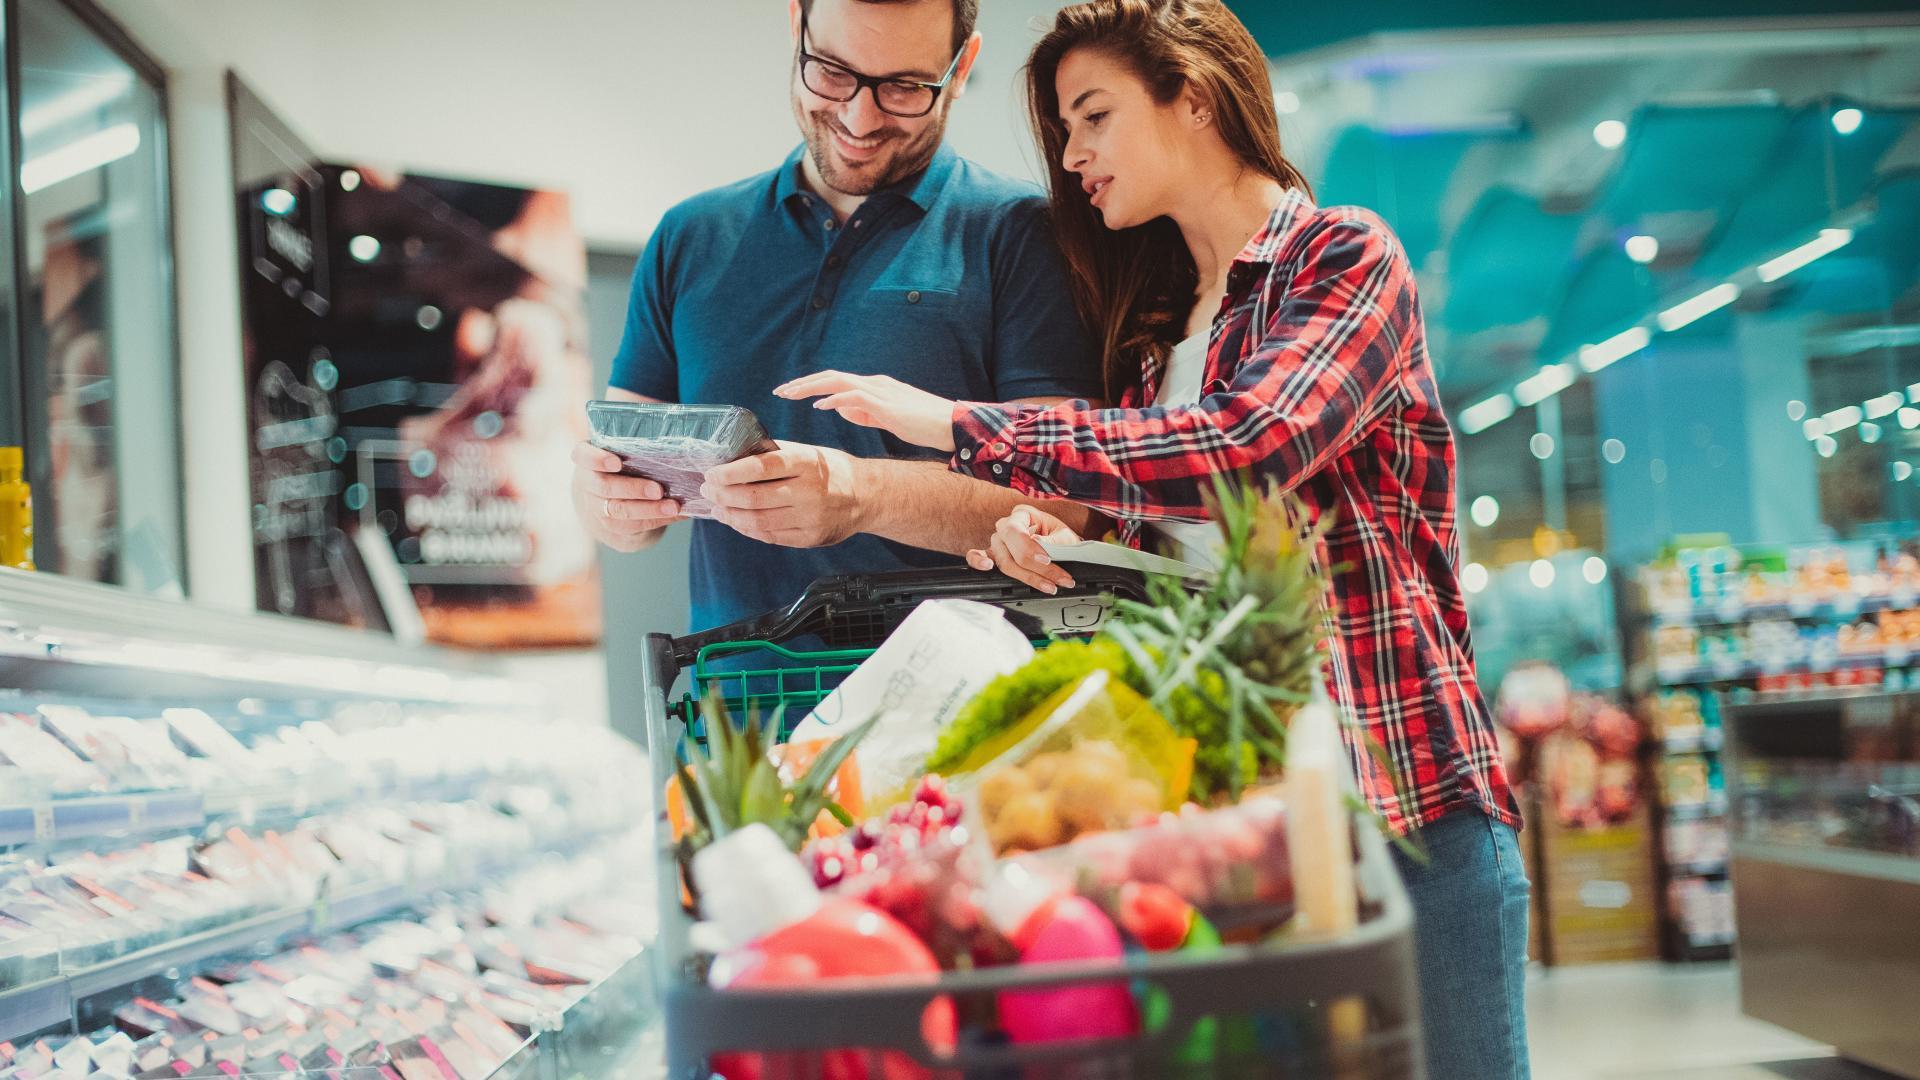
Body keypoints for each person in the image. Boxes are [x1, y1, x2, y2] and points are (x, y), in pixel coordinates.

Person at [780, 0, 1530, 1075]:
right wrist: (1043, 541)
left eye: (1093, 116)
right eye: (1064, 131)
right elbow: (1156, 549)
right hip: (1240, 842)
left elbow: (1250, 445)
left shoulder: (1342, 260)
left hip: (1406, 815)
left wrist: (954, 424)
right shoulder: (1157, 346)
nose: (1074, 156)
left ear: (1195, 94)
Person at [572, 0, 1104, 633]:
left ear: (961, 68)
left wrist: (860, 495)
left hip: (957, 712)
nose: (859, 117)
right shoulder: (689, 236)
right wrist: (607, 504)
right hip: (734, 708)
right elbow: (617, 479)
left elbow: (1070, 506)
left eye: (904, 87)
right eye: (831, 70)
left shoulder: (1026, 234)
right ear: (797, 26)